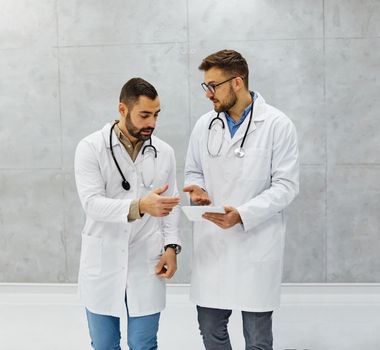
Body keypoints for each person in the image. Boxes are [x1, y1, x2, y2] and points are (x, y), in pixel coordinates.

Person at [183, 50, 299, 350]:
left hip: (256, 242)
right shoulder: (204, 125)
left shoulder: (277, 124)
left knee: (257, 339)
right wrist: (196, 189)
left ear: (236, 82)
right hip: (213, 244)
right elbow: (193, 170)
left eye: (213, 85)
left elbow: (286, 186)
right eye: (205, 86)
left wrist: (243, 214)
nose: (208, 94)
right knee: (210, 329)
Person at [74, 77, 182, 350]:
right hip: (104, 257)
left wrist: (171, 247)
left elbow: (170, 206)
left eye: (156, 115)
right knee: (104, 345)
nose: (152, 123)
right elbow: (92, 203)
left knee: (144, 344)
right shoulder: (91, 147)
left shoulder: (164, 152)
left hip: (147, 259)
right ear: (123, 109)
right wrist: (139, 207)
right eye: (144, 115)